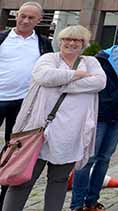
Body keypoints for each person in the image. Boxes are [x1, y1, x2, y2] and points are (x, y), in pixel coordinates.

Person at [2, 25, 106, 211]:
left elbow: (99, 82)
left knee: (59, 180)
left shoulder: (90, 62)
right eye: (68, 39)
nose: (72, 43)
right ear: (60, 41)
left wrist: (62, 84)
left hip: (71, 134)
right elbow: (44, 76)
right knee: (23, 178)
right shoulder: (48, 58)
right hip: (39, 131)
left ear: (83, 44)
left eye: (77, 40)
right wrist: (77, 75)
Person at [70, 25, 118, 211]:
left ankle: (92, 200)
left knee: (104, 158)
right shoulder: (102, 57)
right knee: (89, 158)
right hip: (99, 113)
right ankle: (77, 203)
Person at [0, 2, 53, 207]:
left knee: (14, 151)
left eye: (31, 18)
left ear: (39, 21)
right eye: (22, 16)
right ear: (16, 15)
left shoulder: (43, 44)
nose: (25, 20)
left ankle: (5, 198)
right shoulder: (3, 38)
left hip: (24, 104)